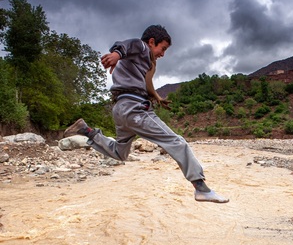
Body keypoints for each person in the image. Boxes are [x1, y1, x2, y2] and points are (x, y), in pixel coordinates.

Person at [64, 25, 229, 203]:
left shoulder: (146, 63)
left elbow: (147, 82)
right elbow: (125, 45)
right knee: (177, 142)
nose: (163, 54)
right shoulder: (142, 47)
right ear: (152, 42)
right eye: (162, 48)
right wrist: (116, 55)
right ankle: (201, 188)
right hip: (136, 108)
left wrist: (157, 97)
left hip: (119, 109)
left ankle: (87, 131)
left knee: (120, 153)